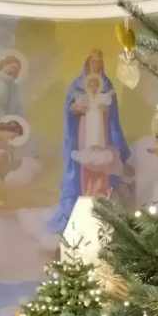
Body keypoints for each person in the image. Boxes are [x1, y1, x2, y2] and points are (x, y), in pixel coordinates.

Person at [47, 50, 130, 234]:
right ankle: (86, 195)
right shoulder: (77, 84)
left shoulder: (106, 84)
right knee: (87, 161)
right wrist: (77, 107)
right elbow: (69, 107)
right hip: (83, 132)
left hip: (102, 133)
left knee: (102, 162)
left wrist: (105, 109)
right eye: (94, 61)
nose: (96, 65)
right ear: (87, 63)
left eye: (100, 62)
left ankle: (101, 195)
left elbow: (112, 111)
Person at [69, 73, 123, 197]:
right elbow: (76, 102)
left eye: (95, 85)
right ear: (87, 86)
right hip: (87, 127)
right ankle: (87, 191)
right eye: (91, 85)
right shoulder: (85, 95)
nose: (93, 88)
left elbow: (107, 98)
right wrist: (78, 105)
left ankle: (101, 191)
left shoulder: (100, 96)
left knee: (100, 152)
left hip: (99, 127)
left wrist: (109, 98)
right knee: (88, 154)